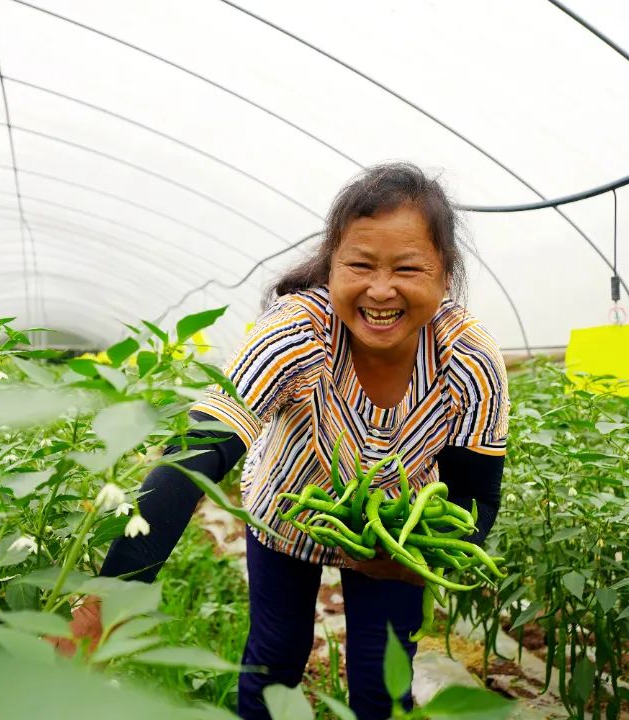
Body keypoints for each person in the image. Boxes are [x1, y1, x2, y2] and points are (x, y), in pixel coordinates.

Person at [70, 163, 509, 720]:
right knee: (276, 658)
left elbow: (476, 501)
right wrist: (108, 598)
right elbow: (196, 454)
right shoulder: (296, 329)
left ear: (445, 276)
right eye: (359, 265)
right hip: (288, 508)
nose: (380, 290)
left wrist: (410, 562)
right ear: (331, 268)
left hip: (395, 531)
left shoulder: (468, 358)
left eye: (407, 268)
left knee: (382, 680)